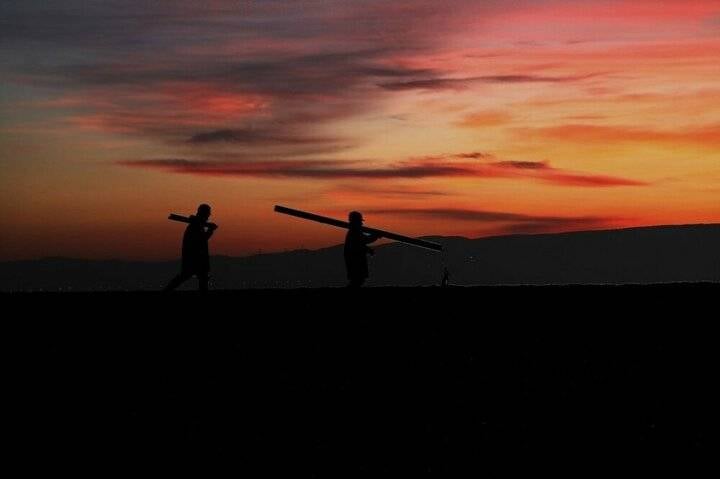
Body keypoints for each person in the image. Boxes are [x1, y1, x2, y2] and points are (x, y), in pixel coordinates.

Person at [164, 204, 218, 291]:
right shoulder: (195, 226)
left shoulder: (196, 225)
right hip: (195, 258)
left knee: (196, 277)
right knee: (189, 276)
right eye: (208, 213)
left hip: (195, 258)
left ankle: (166, 290)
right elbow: (201, 240)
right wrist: (210, 230)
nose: (209, 215)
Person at [344, 211, 381, 288]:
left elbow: (359, 243)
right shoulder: (355, 231)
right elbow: (364, 240)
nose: (361, 223)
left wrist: (368, 249)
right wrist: (375, 236)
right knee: (358, 279)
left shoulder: (354, 231)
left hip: (354, 258)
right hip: (355, 259)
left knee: (357, 279)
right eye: (360, 221)